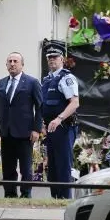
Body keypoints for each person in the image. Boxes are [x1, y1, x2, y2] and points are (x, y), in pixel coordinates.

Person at [0, 52, 42, 198]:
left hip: (25, 133)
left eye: (15, 61)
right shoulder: (1, 83)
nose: (12, 64)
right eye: (10, 61)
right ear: (6, 65)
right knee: (8, 167)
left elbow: (39, 107)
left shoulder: (32, 82)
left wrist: (36, 129)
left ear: (22, 64)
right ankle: (10, 194)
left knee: (26, 168)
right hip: (6, 133)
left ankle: (26, 195)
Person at [41, 43, 80, 199]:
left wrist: (59, 119)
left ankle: (65, 198)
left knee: (64, 163)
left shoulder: (67, 78)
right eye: (49, 58)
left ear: (62, 59)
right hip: (50, 128)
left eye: (55, 57)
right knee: (52, 165)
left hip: (64, 127)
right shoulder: (46, 80)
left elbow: (75, 103)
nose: (52, 60)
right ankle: (55, 198)